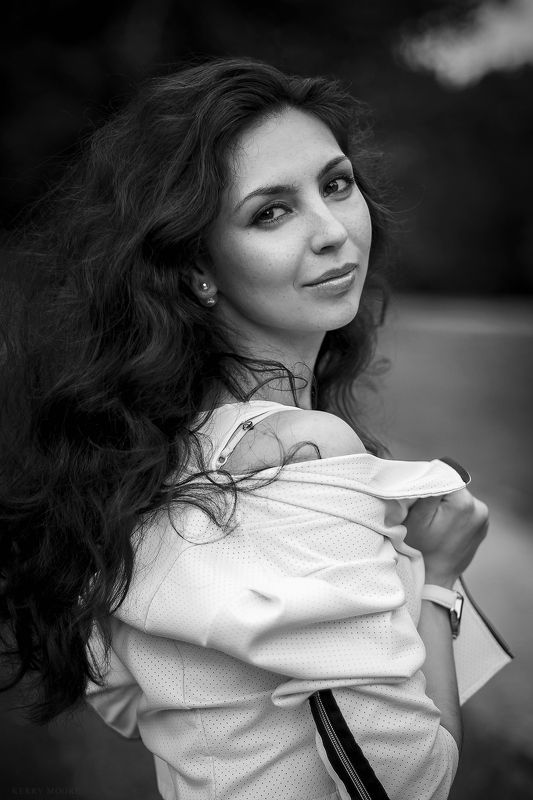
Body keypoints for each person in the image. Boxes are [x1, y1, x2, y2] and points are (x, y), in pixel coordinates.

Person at [0, 58, 510, 800]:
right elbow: (407, 784)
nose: (332, 231)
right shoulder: (303, 456)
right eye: (271, 212)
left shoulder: (144, 454)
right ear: (196, 269)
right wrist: (437, 579)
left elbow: (131, 700)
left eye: (336, 185)